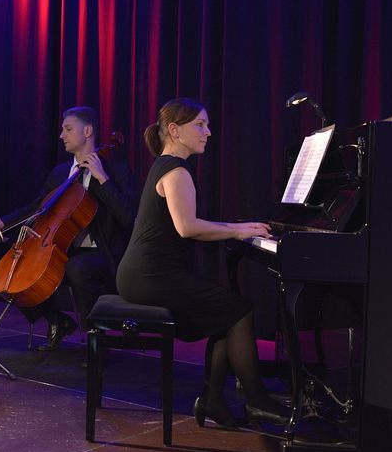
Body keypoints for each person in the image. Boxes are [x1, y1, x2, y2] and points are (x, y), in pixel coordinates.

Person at [116, 97, 288, 427]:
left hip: (143, 274)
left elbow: (189, 222)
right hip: (151, 277)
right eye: (200, 124)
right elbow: (188, 227)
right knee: (240, 310)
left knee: (228, 312)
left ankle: (214, 401)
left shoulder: (166, 164)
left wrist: (236, 228)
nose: (208, 132)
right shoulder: (177, 170)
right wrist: (237, 230)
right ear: (174, 130)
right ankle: (256, 400)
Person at [0, 106, 136, 351]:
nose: (61, 135)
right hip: (60, 247)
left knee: (77, 267)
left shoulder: (116, 172)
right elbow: (36, 208)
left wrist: (102, 179)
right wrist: (3, 222)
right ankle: (55, 320)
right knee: (12, 266)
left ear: (88, 131)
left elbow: (128, 217)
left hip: (102, 252)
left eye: (68, 129)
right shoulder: (60, 173)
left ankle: (96, 341)